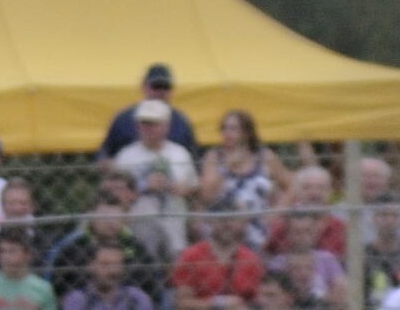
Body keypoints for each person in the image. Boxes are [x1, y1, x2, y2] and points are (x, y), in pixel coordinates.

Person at [105, 101, 198, 234]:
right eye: (143, 123)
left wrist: (176, 187)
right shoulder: (126, 156)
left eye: (153, 124)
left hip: (174, 220)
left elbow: (194, 188)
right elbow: (114, 194)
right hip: (137, 223)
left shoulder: (180, 153)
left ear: (166, 126)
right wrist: (143, 186)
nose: (147, 128)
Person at [198, 109, 288, 219]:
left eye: (233, 129)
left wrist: (276, 213)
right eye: (224, 128)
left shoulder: (264, 156)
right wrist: (227, 167)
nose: (227, 133)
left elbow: (291, 187)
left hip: (260, 226)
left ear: (247, 132)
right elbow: (205, 195)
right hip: (222, 227)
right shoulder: (214, 157)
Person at [97, 62, 200, 157]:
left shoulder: (181, 122)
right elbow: (105, 153)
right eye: (156, 86)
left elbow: (193, 157)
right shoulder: (124, 119)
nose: (161, 91)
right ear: (144, 87)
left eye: (166, 87)